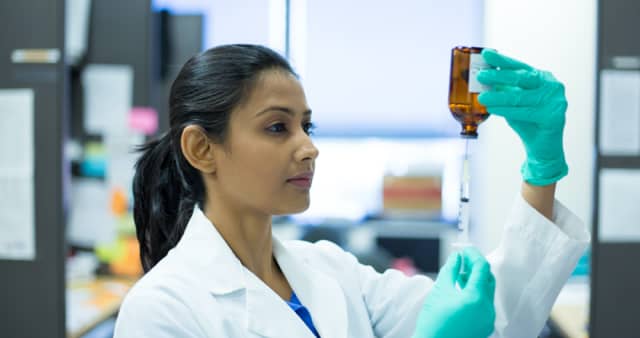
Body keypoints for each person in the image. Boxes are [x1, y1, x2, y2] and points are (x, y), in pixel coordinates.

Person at [113, 44, 589, 338]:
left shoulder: (330, 271)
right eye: (278, 127)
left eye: (307, 125)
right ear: (201, 148)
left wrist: (541, 171)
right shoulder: (162, 311)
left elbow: (493, 323)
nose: (309, 148)